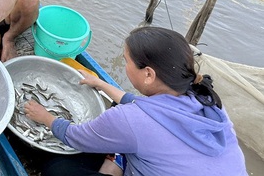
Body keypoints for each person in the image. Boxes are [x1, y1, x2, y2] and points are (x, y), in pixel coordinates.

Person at [24, 27, 247, 176]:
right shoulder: (207, 99)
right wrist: (102, 84)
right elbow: (149, 111)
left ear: (148, 74)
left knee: (58, 168)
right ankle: (118, 161)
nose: (125, 66)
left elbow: (75, 137)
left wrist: (46, 117)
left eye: (126, 61)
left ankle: (116, 164)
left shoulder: (131, 119)